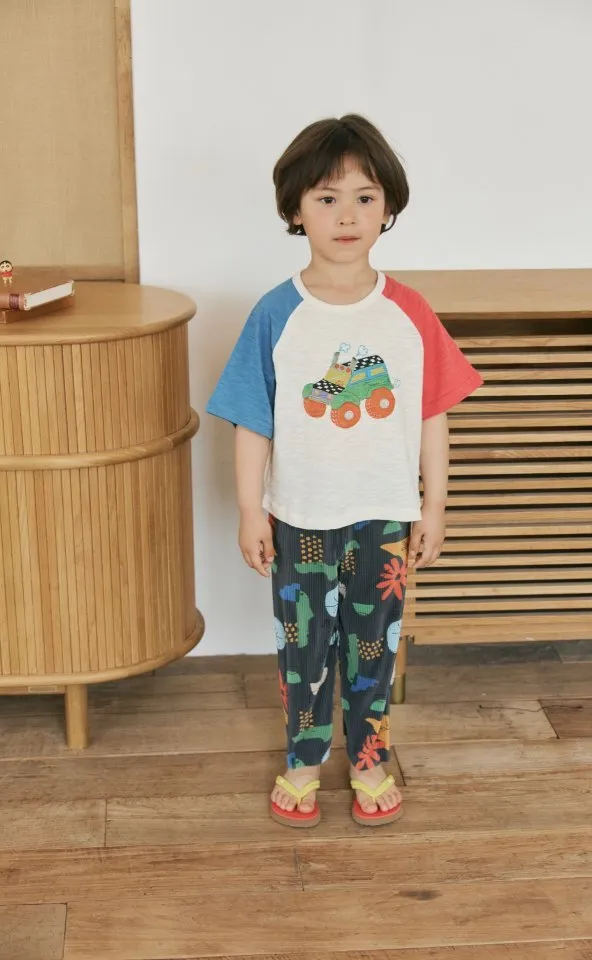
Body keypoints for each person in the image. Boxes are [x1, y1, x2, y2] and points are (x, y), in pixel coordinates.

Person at [207, 114, 484, 828]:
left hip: (383, 517)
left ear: (388, 207)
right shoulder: (276, 313)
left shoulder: (409, 313)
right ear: (295, 209)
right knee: (303, 649)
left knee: (373, 648)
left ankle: (368, 757)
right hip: (299, 517)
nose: (347, 216)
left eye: (364, 197)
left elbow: (432, 414)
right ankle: (304, 757)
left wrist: (434, 506)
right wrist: (250, 509)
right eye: (327, 198)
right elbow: (252, 419)